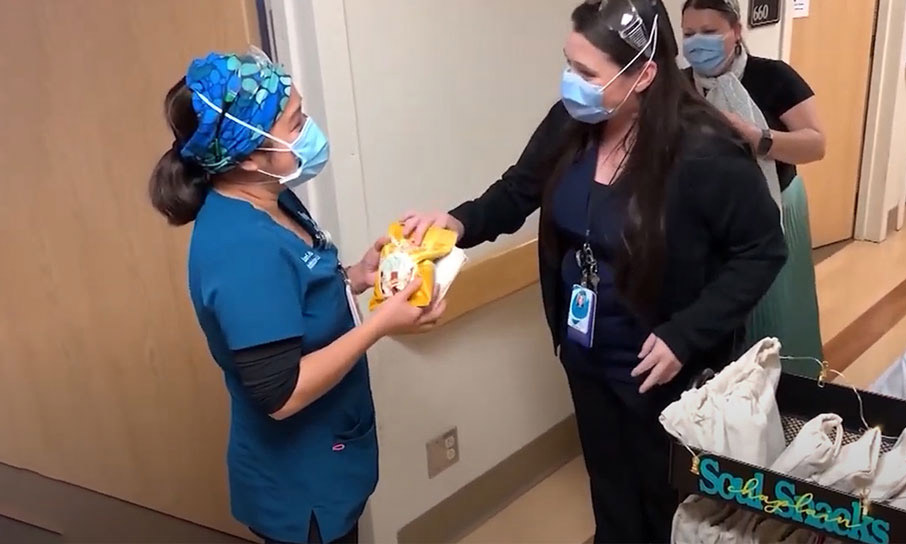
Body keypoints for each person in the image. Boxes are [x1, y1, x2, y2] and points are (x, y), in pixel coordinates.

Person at [401, 0, 786, 541]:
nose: (569, 84)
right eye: (567, 64)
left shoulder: (705, 151)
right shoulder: (573, 122)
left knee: (666, 496)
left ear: (644, 75)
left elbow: (763, 250)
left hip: (662, 365)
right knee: (608, 484)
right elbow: (518, 190)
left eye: (586, 73)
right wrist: (456, 224)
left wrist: (686, 334)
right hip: (585, 350)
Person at [148, 49, 445, 544]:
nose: (310, 128)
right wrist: (381, 325)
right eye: (296, 121)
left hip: (328, 456)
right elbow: (280, 395)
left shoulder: (271, 197)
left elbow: (296, 293)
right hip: (296, 486)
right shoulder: (239, 249)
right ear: (246, 154)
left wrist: (356, 277)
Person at [681, 0, 827, 369]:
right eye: (689, 34)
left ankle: (789, 391)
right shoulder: (679, 87)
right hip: (706, 221)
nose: (698, 42)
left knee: (777, 316)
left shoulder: (773, 76)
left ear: (737, 30)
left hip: (772, 209)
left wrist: (758, 138)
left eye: (710, 32)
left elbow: (816, 144)